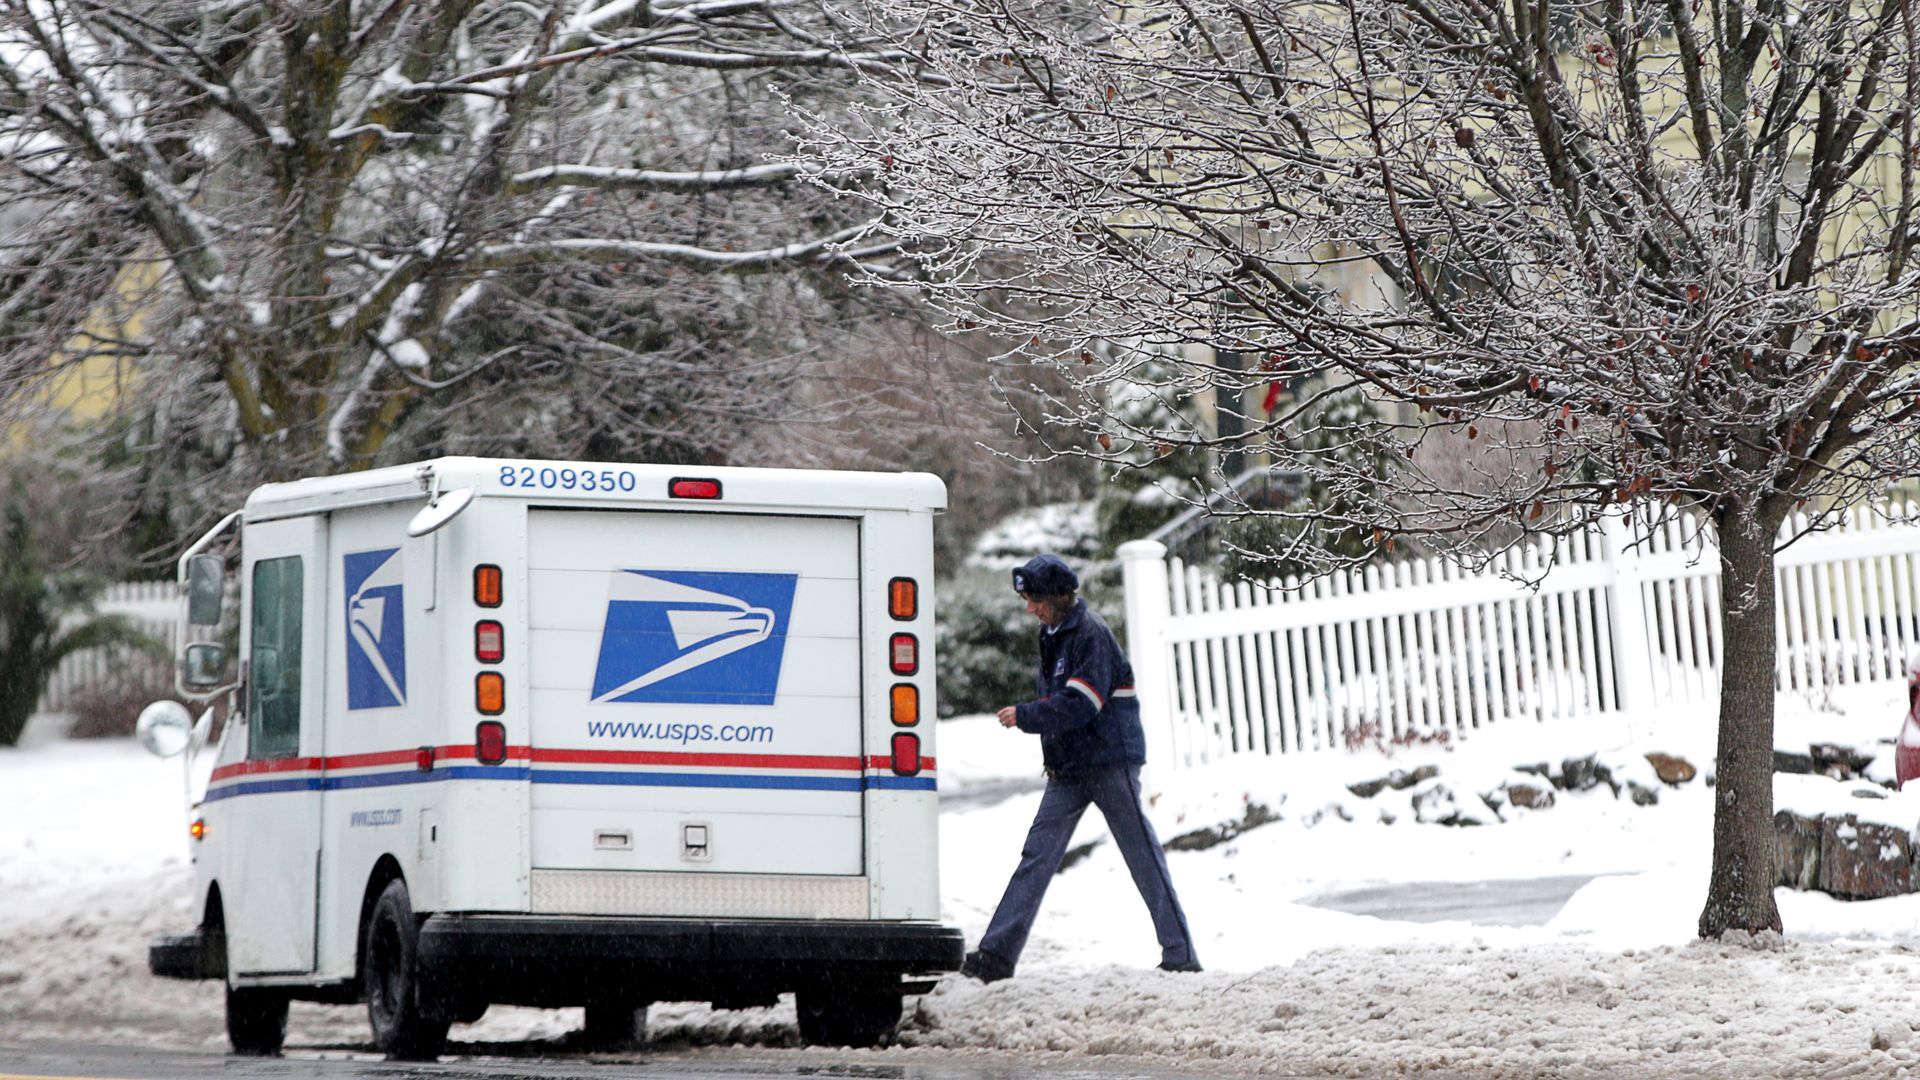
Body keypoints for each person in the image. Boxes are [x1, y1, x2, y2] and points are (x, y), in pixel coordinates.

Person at [959, 554, 1200, 983]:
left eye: (1034, 599)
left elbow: (1080, 705)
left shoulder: (1090, 635)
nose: (1029, 608)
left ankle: (1181, 955)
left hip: (1110, 763)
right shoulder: (1053, 631)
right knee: (1037, 856)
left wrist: (1027, 715)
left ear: (1056, 597)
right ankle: (995, 956)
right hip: (1070, 768)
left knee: (1141, 856)